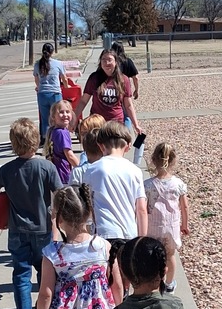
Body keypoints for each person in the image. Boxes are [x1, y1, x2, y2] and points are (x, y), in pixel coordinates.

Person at [0, 117, 61, 309]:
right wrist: (56, 220)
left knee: (20, 276)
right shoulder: (46, 167)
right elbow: (59, 194)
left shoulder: (6, 169)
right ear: (36, 140)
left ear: (13, 143)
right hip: (43, 229)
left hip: (17, 230)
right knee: (45, 275)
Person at [79, 121, 146, 241]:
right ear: (128, 146)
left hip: (104, 232)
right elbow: (141, 209)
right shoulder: (135, 171)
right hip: (130, 232)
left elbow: (86, 203)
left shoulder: (92, 170)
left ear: (100, 146)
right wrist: (142, 240)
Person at [144, 142, 190, 293]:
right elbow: (184, 206)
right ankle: (169, 283)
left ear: (153, 160)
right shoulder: (178, 184)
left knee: (153, 256)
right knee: (170, 255)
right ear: (173, 160)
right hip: (171, 226)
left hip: (152, 226)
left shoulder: (148, 185)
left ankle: (154, 282)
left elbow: (143, 208)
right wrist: (185, 224)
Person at [72, 49, 142, 135]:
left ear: (116, 62)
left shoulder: (124, 79)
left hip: (116, 124)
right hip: (97, 124)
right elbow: (83, 101)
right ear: (100, 62)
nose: (106, 63)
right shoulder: (94, 78)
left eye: (109, 60)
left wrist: (136, 125)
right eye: (103, 60)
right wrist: (73, 119)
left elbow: (128, 105)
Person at [33, 43, 66, 142]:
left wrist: (38, 87)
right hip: (55, 94)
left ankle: (47, 139)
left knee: (45, 119)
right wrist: (66, 85)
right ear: (52, 52)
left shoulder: (37, 64)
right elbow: (64, 78)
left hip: (42, 94)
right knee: (58, 117)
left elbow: (36, 79)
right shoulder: (58, 64)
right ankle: (59, 138)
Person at [44, 99, 79, 184]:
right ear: (53, 116)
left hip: (56, 172)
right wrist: (81, 168)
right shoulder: (62, 133)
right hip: (63, 174)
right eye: (61, 112)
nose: (65, 115)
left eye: (68, 112)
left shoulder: (54, 131)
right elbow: (69, 155)